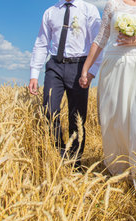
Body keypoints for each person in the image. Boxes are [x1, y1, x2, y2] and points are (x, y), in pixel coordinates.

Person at [79, 0, 136, 202]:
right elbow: (101, 39)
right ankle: (122, 176)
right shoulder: (112, 5)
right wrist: (86, 69)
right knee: (116, 124)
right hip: (115, 68)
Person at [28, 0, 102, 167]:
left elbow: (97, 43)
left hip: (80, 66)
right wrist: (34, 74)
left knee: (77, 116)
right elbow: (42, 43)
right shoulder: (50, 12)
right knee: (49, 109)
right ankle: (58, 154)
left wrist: (91, 72)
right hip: (54, 66)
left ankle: (75, 161)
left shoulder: (89, 10)